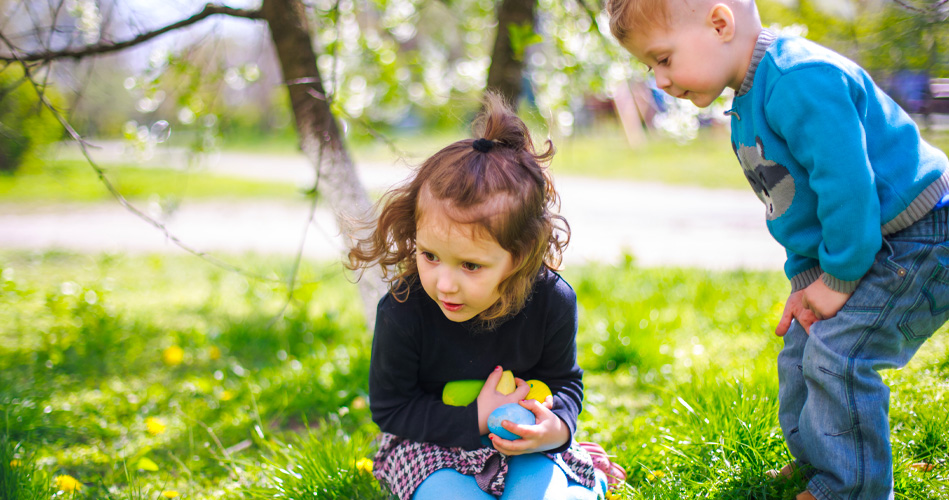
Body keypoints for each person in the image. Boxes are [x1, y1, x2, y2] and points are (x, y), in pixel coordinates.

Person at [606, 1, 949, 499]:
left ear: (719, 24)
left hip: (922, 236)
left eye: (663, 58)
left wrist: (839, 279)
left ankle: (852, 486)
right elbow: (793, 206)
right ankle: (821, 459)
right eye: (650, 66)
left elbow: (849, 191)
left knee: (840, 352)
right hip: (876, 239)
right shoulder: (750, 96)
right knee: (803, 346)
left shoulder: (799, 78)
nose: (659, 80)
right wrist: (807, 278)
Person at [347, 93, 613, 500]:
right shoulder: (404, 310)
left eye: (470, 265)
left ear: (519, 256)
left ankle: (588, 479)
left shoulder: (551, 300)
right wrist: (477, 418)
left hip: (523, 439)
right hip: (430, 444)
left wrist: (554, 428)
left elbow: (564, 382)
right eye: (430, 255)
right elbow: (391, 408)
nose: (445, 284)